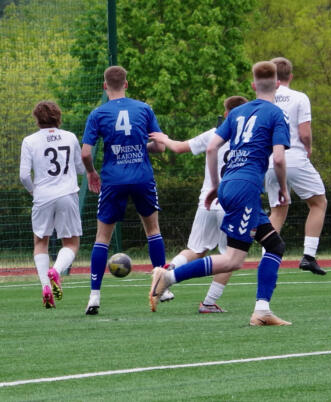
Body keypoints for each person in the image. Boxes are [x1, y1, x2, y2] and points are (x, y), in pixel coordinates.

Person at [149, 61, 292, 326]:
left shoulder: (236, 114)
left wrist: (215, 185)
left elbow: (212, 148)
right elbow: (280, 159)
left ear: (253, 85)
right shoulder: (276, 114)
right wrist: (282, 188)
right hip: (246, 188)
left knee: (275, 245)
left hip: (230, 185)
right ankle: (169, 276)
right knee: (233, 259)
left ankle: (262, 310)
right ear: (278, 84)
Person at [149, 95, 248, 312]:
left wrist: (164, 139)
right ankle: (209, 302)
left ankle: (166, 271)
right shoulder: (251, 138)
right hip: (232, 203)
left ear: (225, 114)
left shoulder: (214, 134)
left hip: (207, 201)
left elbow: (179, 148)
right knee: (229, 257)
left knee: (195, 249)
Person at [82, 65, 166, 315]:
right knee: (152, 230)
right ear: (126, 84)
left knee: (102, 238)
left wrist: (91, 172)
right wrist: (142, 147)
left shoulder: (98, 113)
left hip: (113, 179)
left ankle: (94, 297)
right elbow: (160, 147)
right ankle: (163, 288)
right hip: (142, 177)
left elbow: (85, 153)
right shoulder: (144, 108)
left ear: (105, 86)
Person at [265, 57, 328, 275]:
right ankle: (309, 256)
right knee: (318, 203)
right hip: (294, 157)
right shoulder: (300, 97)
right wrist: (308, 148)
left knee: (277, 211)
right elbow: (304, 132)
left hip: (270, 160)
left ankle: (267, 260)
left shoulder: (264, 100)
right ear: (290, 76)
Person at [19, 101, 85, 308]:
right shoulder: (70, 137)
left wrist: (33, 190)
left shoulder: (29, 141)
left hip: (42, 196)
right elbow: (81, 168)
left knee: (40, 242)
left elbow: (24, 175)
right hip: (67, 194)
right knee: (71, 243)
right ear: (58, 117)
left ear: (37, 119)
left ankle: (46, 287)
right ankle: (56, 271)